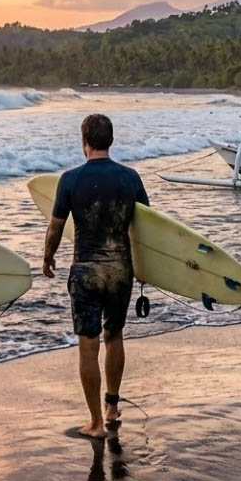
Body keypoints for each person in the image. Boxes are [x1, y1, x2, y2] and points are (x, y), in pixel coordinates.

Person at [43, 114, 149, 438]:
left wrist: (48, 257)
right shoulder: (130, 178)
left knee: (88, 346)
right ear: (111, 141)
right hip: (120, 270)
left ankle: (96, 423)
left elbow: (56, 227)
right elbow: (148, 229)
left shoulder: (70, 180)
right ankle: (112, 406)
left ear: (84, 141)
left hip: (86, 272)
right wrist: (148, 269)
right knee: (114, 337)